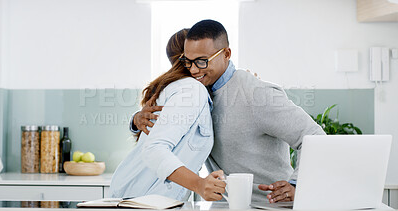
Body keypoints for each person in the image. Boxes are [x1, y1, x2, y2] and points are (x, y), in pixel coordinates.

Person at [131, 20, 326, 203]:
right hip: (229, 206)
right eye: (188, 62)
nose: (193, 70)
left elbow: (314, 136)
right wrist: (136, 121)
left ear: (226, 54)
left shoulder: (256, 94)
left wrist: (296, 184)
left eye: (202, 61)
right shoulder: (198, 95)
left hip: (269, 206)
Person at [109, 28, 226, 202]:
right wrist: (199, 184)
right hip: (144, 198)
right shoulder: (191, 89)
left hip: (139, 193)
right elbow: (154, 148)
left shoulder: (180, 87)